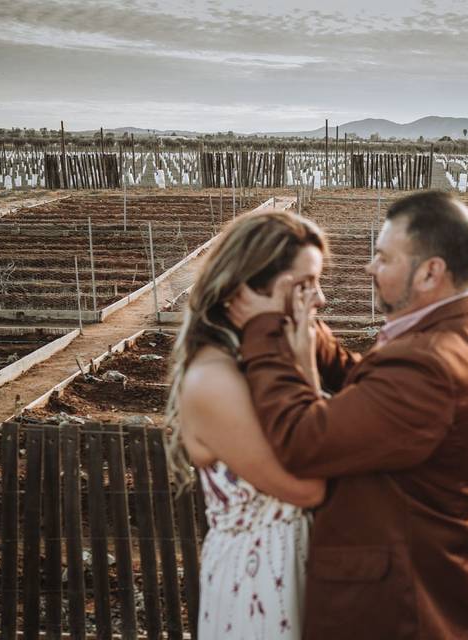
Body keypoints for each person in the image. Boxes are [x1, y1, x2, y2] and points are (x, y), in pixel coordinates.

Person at [226, 190, 468, 639]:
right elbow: (380, 391)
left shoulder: (430, 363)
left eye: (384, 258)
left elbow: (303, 441)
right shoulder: (458, 326)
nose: (369, 268)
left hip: (402, 605)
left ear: (431, 272)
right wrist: (314, 342)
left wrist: (263, 330)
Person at [164, 210, 329, 639]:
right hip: (260, 579)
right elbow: (310, 486)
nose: (320, 299)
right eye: (304, 285)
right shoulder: (214, 380)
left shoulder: (264, 360)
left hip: (302, 562)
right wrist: (307, 372)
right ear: (247, 289)